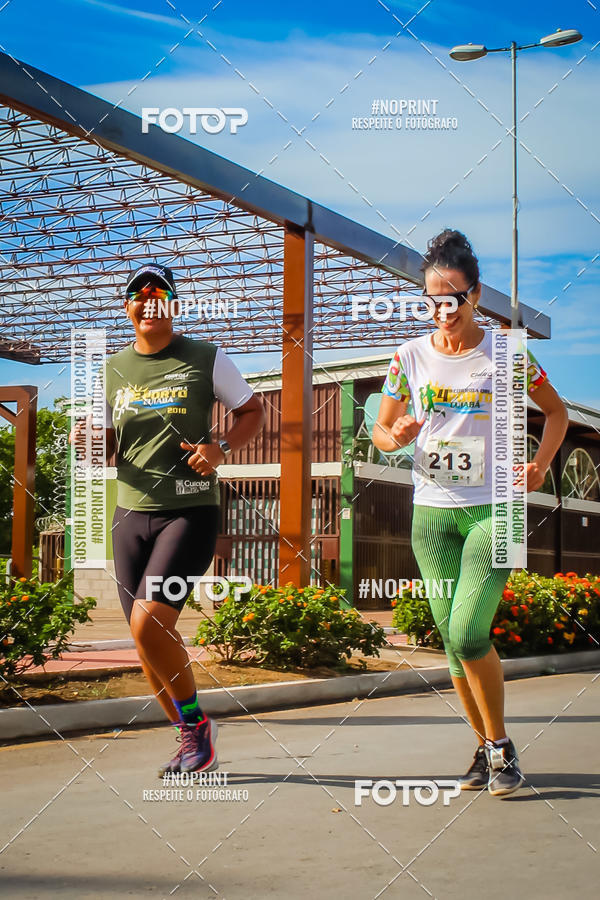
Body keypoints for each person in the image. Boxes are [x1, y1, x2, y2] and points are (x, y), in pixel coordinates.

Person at [373, 230, 568, 797]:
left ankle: (501, 748)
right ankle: (484, 749)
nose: (442, 310)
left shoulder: (507, 353)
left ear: (475, 295)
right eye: (431, 300)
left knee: (467, 630)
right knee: (453, 642)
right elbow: (382, 432)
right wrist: (398, 432)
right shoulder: (408, 356)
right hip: (431, 515)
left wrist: (540, 464)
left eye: (452, 298)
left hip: (497, 512)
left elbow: (554, 414)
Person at [86, 263, 264, 776]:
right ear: (127, 307)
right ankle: (190, 737)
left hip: (188, 511)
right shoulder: (112, 369)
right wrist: (93, 445)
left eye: (158, 293)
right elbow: (109, 445)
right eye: (136, 295)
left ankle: (196, 730)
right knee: (147, 642)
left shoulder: (205, 358)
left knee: (150, 621)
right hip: (129, 515)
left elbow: (252, 412)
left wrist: (221, 446)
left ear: (174, 305)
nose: (147, 302)